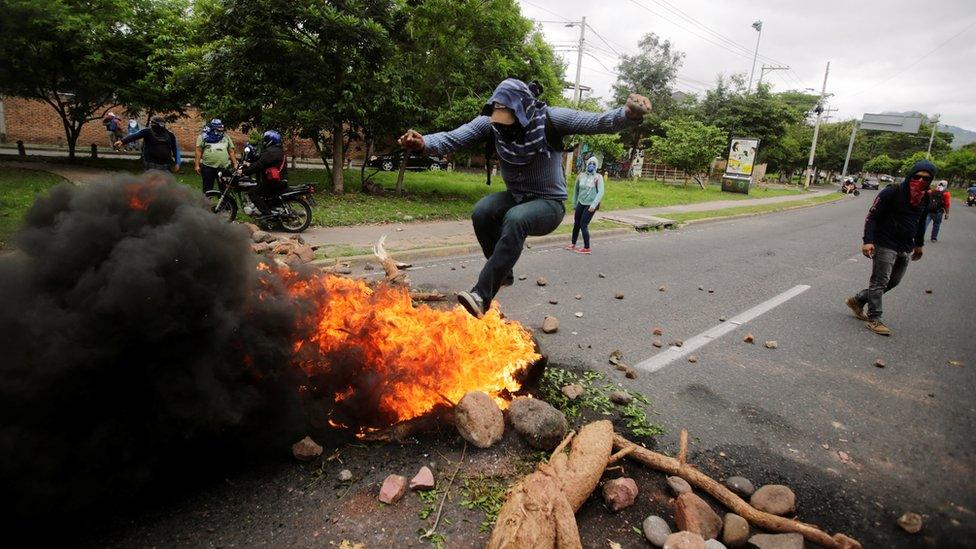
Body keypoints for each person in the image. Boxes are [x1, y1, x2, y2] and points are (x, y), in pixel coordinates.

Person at [397, 78, 651, 318]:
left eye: (508, 122)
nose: (502, 128)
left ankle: (481, 296)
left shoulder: (550, 119)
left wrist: (627, 114)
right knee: (482, 211)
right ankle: (503, 273)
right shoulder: (491, 123)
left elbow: (595, 122)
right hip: (516, 197)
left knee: (516, 218)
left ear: (522, 114)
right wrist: (422, 143)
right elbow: (453, 138)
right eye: (498, 122)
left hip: (548, 204)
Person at [845, 160, 935, 336]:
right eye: (917, 176)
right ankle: (875, 318)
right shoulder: (892, 191)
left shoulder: (924, 197)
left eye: (926, 178)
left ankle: (858, 300)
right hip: (884, 242)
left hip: (905, 245)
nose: (921, 181)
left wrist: (919, 244)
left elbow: (921, 221)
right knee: (880, 281)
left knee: (894, 281)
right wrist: (867, 240)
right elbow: (872, 216)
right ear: (910, 175)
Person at [240, 130, 287, 219]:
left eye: (266, 140)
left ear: (271, 140)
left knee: (252, 193)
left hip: (275, 182)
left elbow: (260, 165)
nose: (264, 142)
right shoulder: (276, 150)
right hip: (279, 179)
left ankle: (267, 214)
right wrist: (250, 164)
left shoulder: (271, 152)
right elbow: (263, 163)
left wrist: (244, 172)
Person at [566, 156, 605, 254]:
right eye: (590, 163)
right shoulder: (581, 176)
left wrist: (593, 205)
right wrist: (574, 203)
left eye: (594, 164)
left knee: (583, 224)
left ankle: (587, 248)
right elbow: (576, 190)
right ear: (587, 164)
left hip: (590, 205)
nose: (591, 165)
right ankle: (573, 244)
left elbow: (601, 192)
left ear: (596, 166)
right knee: (576, 224)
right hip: (581, 203)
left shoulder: (598, 177)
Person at [116, 116, 181, 172]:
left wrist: (177, 162)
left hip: (165, 164)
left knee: (164, 183)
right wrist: (123, 141)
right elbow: (135, 135)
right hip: (150, 162)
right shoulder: (147, 132)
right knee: (150, 182)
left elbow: (175, 149)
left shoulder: (170, 135)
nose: (152, 125)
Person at [195, 119, 237, 193]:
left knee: (225, 190)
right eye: (218, 128)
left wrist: (235, 164)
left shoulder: (226, 137)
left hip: (223, 168)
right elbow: (198, 150)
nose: (221, 130)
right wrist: (197, 165)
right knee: (207, 189)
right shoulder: (203, 137)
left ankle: (225, 204)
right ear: (213, 128)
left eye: (221, 128)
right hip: (208, 167)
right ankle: (206, 204)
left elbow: (231, 151)